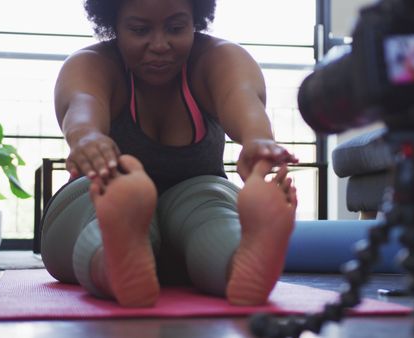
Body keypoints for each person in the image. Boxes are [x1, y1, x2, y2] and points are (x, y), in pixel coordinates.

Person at [40, 0, 299, 308]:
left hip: (194, 212)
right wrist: (87, 138)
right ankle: (117, 262)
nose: (160, 45)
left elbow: (241, 97)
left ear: (195, 21)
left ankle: (242, 264)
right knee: (111, 193)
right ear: (114, 25)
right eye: (139, 30)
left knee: (209, 203)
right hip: (93, 201)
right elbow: (81, 103)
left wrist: (258, 141)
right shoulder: (93, 64)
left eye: (176, 28)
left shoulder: (218, 59)